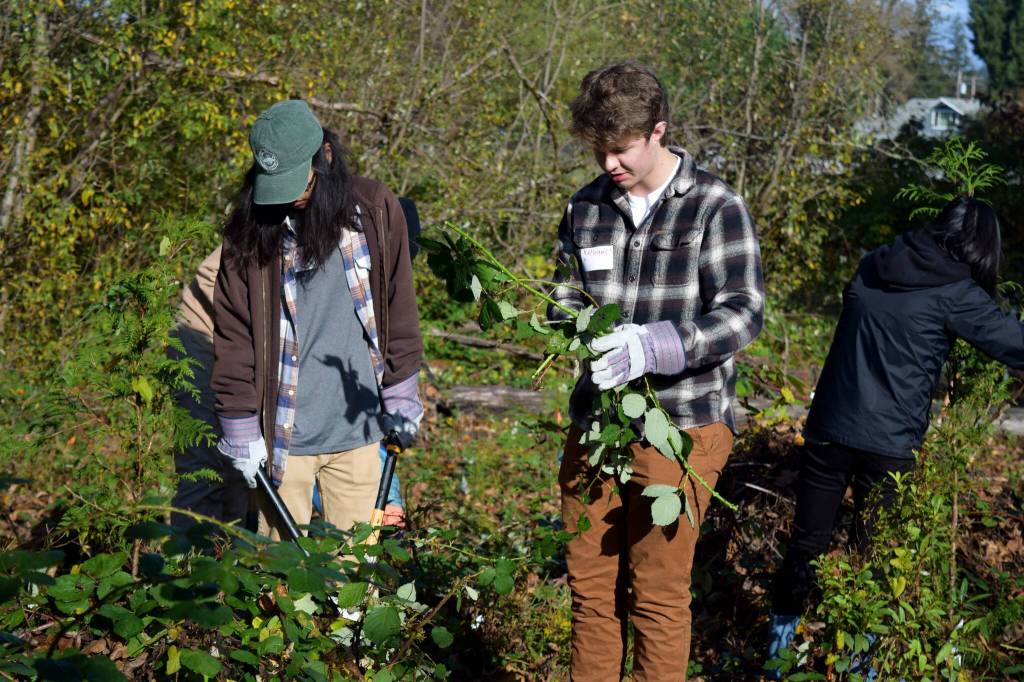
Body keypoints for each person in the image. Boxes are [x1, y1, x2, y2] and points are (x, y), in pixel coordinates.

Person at [548, 62, 765, 681]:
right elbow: (562, 298)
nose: (608, 163)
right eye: (598, 150)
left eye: (619, 150)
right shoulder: (585, 207)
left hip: (685, 425)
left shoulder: (714, 206)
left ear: (658, 132)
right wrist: (581, 330)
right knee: (590, 593)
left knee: (658, 595)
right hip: (597, 427)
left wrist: (660, 345)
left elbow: (745, 313)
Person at [766, 196, 1024, 677]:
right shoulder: (955, 291)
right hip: (889, 445)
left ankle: (779, 662)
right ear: (980, 246)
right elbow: (1012, 343)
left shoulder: (874, 263)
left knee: (806, 544)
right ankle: (862, 667)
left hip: (828, 428)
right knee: (878, 556)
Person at [211, 99, 423, 541]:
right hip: (282, 440)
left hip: (359, 434)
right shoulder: (248, 233)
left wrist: (402, 393)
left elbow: (399, 304)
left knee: (357, 581)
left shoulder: (377, 210)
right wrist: (239, 424)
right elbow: (234, 338)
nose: (289, 196)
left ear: (325, 156)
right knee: (280, 587)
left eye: (297, 181)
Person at [171, 244, 409, 531]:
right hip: (207, 334)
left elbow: (357, 418)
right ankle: (195, 565)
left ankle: (241, 553)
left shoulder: (371, 263)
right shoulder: (298, 242)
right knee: (214, 469)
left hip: (273, 338)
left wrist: (388, 499)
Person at [169, 245, 250, 530]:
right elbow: (209, 277)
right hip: (201, 339)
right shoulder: (271, 219)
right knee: (204, 468)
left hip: (247, 353)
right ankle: (188, 564)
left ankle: (235, 563)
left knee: (243, 472)